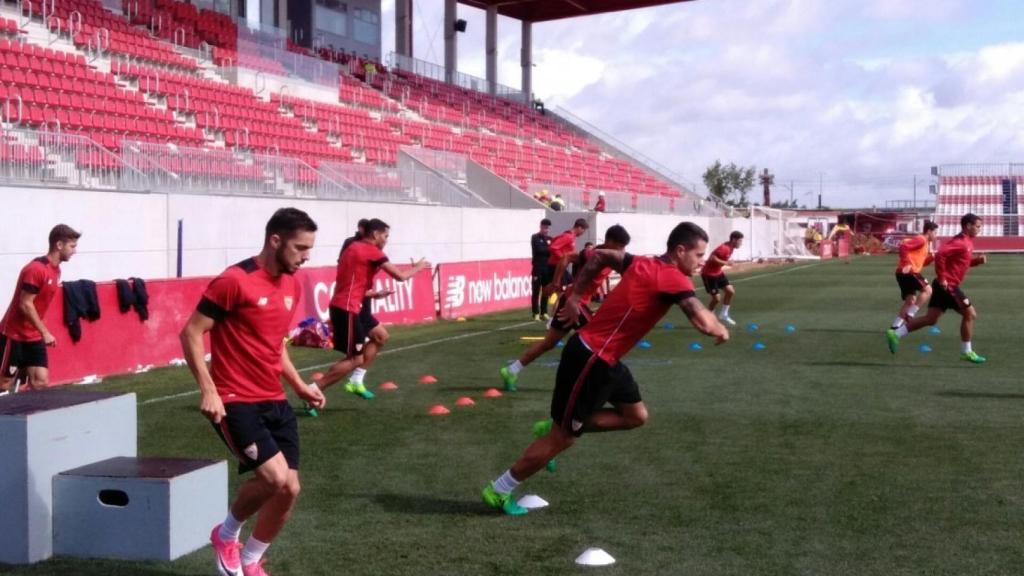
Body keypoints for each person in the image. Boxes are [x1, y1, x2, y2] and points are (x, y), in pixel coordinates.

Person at [482, 222, 730, 515]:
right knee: (564, 439)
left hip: (607, 359)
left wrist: (575, 297)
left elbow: (601, 256)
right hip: (591, 358)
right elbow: (700, 319)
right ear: (679, 251)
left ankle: (560, 422)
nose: (703, 260)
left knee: (635, 416)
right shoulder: (673, 278)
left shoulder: (642, 261)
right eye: (699, 254)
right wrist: (719, 329)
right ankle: (499, 489)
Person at [180, 208, 326, 576]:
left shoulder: (292, 283)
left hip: (274, 399)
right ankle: (226, 534)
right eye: (300, 247)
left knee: (289, 488)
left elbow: (275, 344)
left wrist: (299, 386)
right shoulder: (235, 281)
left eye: (309, 248)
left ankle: (250, 560)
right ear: (275, 240)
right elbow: (192, 332)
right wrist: (208, 390)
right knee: (274, 478)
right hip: (235, 399)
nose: (306, 255)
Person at [500, 225, 631, 393]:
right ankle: (596, 385)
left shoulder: (611, 257)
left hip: (573, 301)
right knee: (598, 342)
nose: (622, 251)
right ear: (609, 242)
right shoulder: (594, 254)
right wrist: (556, 283)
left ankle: (511, 370)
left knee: (549, 343)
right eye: (620, 246)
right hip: (574, 303)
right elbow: (566, 257)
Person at [314, 219, 430, 400]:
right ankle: (313, 390)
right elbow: (400, 276)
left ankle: (356, 380)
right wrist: (417, 268)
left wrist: (373, 294)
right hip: (347, 308)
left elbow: (350, 283)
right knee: (355, 358)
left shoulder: (352, 248)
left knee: (380, 336)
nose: (386, 240)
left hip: (351, 305)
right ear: (375, 234)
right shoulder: (370, 251)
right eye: (385, 236)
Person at [886, 213, 987, 363]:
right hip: (948, 286)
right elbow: (940, 255)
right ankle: (967, 351)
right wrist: (942, 278)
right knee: (970, 314)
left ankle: (896, 333)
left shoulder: (967, 242)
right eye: (978, 226)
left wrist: (976, 261)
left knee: (931, 319)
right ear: (968, 226)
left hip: (944, 286)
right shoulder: (960, 242)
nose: (980, 229)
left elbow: (960, 263)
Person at [0, 224, 80, 394]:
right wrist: (45, 332)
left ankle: (26, 418)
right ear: (59, 245)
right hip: (13, 335)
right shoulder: (36, 269)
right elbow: (25, 304)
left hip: (33, 336)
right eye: (72, 246)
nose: (75, 251)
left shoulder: (56, 270)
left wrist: (40, 331)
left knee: (40, 382)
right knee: (4, 383)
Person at [890, 221, 939, 330]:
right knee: (928, 290)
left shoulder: (926, 243)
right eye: (935, 232)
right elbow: (903, 247)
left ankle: (895, 327)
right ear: (929, 231)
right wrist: (907, 263)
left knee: (910, 301)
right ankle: (910, 315)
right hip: (909, 272)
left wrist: (931, 258)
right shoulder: (921, 239)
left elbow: (921, 263)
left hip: (902, 273)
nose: (936, 235)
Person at [700, 231, 743, 326]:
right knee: (716, 299)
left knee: (730, 291)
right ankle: (707, 318)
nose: (741, 243)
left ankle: (724, 314)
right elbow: (712, 258)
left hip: (718, 273)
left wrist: (725, 263)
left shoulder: (731, 248)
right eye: (739, 241)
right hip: (709, 274)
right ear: (733, 240)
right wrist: (727, 263)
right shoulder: (724, 248)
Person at [544, 218, 589, 298]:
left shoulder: (572, 237)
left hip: (561, 267)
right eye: (583, 230)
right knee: (562, 292)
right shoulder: (568, 236)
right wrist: (563, 258)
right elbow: (553, 247)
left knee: (571, 286)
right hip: (555, 267)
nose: (583, 233)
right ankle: (555, 305)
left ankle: (548, 292)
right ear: (579, 227)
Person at [530, 219, 553, 321]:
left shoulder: (550, 239)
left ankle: (544, 312)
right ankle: (535, 313)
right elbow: (539, 250)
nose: (546, 230)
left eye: (547, 228)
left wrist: (548, 249)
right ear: (541, 227)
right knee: (536, 291)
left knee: (546, 291)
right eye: (544, 227)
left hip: (547, 268)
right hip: (537, 268)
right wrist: (549, 248)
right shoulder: (535, 237)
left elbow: (552, 251)